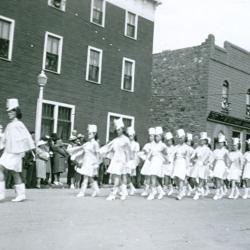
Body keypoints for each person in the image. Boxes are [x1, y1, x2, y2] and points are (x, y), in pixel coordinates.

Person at [0, 99, 35, 202]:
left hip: (15, 152)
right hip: (8, 151)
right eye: (8, 111)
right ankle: (21, 194)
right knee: (14, 172)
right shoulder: (9, 125)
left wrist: (33, 149)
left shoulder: (19, 124)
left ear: (16, 112)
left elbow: (27, 137)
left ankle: (1, 194)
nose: (9, 113)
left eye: (11, 111)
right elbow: (4, 140)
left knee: (0, 168)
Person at [100, 118, 131, 201]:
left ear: (122, 129)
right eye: (117, 130)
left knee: (117, 177)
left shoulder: (126, 140)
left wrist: (128, 162)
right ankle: (124, 193)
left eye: (119, 129)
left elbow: (128, 152)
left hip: (122, 160)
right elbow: (108, 147)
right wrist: (100, 151)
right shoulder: (115, 140)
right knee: (115, 177)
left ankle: (113, 194)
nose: (118, 131)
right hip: (115, 159)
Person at [69, 125, 100, 197]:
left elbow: (97, 154)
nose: (88, 135)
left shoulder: (95, 144)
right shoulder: (87, 143)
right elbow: (81, 151)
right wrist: (74, 156)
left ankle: (82, 192)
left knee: (86, 177)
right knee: (90, 178)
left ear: (94, 134)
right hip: (86, 162)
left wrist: (96, 164)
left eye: (90, 134)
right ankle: (96, 190)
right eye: (88, 133)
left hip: (92, 163)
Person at [146, 127, 168, 200]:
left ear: (161, 137)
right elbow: (151, 153)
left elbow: (166, 155)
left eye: (158, 136)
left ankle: (153, 192)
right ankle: (160, 191)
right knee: (153, 177)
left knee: (153, 176)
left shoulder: (163, 146)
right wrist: (148, 159)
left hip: (159, 161)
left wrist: (166, 162)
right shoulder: (153, 145)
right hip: (153, 161)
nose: (156, 137)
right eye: (155, 136)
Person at [172, 129, 191, 200]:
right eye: (179, 138)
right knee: (175, 178)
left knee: (181, 178)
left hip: (183, 163)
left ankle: (180, 193)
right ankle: (182, 189)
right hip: (177, 163)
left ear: (184, 138)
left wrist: (187, 167)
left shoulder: (187, 147)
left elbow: (188, 158)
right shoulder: (176, 147)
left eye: (182, 138)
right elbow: (172, 155)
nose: (180, 140)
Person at [211, 134, 230, 200]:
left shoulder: (225, 151)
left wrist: (227, 167)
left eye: (221, 142)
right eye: (219, 142)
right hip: (217, 164)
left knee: (219, 178)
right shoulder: (216, 151)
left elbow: (227, 160)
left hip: (222, 165)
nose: (220, 144)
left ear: (224, 143)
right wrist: (212, 166)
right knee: (216, 178)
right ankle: (221, 191)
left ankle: (217, 193)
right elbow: (213, 159)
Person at [139, 127, 156, 197]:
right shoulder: (147, 144)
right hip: (148, 162)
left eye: (151, 136)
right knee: (147, 176)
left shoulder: (156, 145)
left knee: (152, 177)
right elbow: (143, 152)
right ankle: (146, 190)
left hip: (153, 162)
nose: (150, 137)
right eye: (149, 136)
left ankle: (153, 190)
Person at [126, 126, 140, 196]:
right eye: (129, 136)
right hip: (126, 160)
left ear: (134, 135)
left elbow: (136, 154)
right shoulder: (127, 143)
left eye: (131, 135)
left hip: (132, 161)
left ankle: (131, 188)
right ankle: (131, 187)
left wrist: (135, 162)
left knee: (128, 175)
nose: (130, 137)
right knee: (125, 175)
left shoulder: (136, 144)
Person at [162, 132, 175, 196]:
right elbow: (163, 155)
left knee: (169, 176)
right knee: (165, 176)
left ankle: (169, 188)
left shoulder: (174, 148)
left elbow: (174, 156)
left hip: (171, 164)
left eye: (170, 141)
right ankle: (167, 188)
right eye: (167, 141)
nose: (168, 142)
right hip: (165, 163)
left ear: (172, 141)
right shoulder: (165, 148)